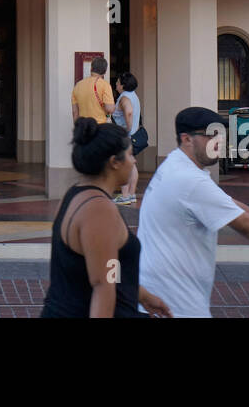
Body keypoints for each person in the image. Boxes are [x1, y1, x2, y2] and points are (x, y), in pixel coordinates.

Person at [137, 107, 249, 318]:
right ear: (186, 139)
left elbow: (230, 203)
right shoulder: (189, 179)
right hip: (173, 303)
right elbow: (243, 224)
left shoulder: (175, 164)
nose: (218, 141)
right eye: (210, 135)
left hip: (162, 294)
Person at [40, 118, 171, 318]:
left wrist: (142, 295)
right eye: (130, 154)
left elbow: (105, 265)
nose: (134, 160)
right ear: (114, 163)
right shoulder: (99, 210)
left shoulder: (74, 194)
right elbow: (103, 286)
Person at [110, 72, 143, 205]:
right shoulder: (134, 96)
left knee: (123, 165)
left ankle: (124, 195)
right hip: (133, 135)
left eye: (118, 83)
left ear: (123, 85)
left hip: (124, 136)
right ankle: (131, 194)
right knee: (132, 165)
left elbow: (128, 112)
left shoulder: (124, 98)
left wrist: (126, 129)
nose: (116, 85)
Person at [71, 56, 114, 124]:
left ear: (91, 68)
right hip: (100, 126)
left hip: (83, 126)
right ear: (105, 71)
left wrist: (77, 127)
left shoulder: (78, 85)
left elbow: (75, 112)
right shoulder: (105, 85)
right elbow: (109, 108)